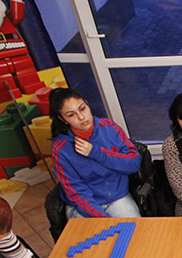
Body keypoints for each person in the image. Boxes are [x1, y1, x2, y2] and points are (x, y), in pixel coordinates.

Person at [50, 88, 142, 219]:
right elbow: (77, 193)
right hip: (84, 207)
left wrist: (96, 152)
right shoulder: (60, 149)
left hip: (117, 198)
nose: (81, 117)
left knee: (135, 230)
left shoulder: (109, 127)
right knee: (98, 232)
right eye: (71, 115)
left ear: (87, 104)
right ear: (62, 119)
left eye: (82, 109)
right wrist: (103, 219)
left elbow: (134, 164)